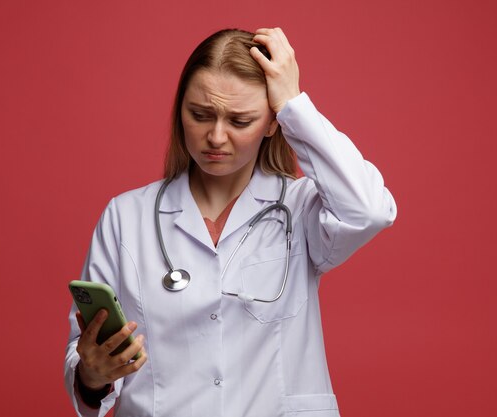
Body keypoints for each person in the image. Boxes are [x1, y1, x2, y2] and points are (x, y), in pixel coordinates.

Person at [64, 27, 396, 417]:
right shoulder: (125, 217)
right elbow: (85, 360)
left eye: (240, 121)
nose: (216, 137)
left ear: (273, 123)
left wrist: (293, 103)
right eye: (200, 115)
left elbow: (369, 211)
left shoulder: (301, 208)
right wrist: (92, 373)